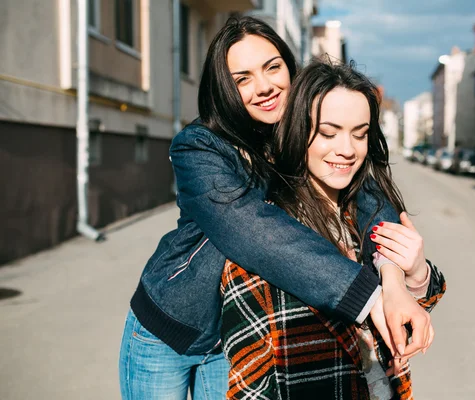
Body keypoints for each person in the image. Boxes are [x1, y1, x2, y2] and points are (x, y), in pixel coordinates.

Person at [119, 17, 434, 400]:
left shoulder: (303, 128)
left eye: (272, 67)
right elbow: (249, 226)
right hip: (172, 325)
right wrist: (370, 296)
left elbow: (368, 192)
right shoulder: (200, 146)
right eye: (243, 78)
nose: (265, 86)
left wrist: (394, 275)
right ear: (225, 88)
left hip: (234, 335)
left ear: (290, 67)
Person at [220, 60, 446, 399]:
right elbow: (249, 383)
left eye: (360, 133)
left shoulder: (366, 213)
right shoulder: (265, 235)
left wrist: (415, 276)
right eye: (328, 133)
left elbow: (399, 321)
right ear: (298, 130)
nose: (348, 149)